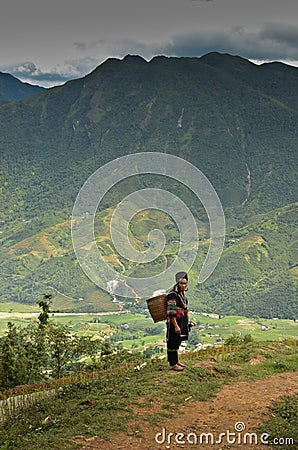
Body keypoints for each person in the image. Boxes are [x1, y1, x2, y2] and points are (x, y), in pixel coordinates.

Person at [166, 271, 190, 371]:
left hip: (181, 321)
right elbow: (171, 312)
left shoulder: (181, 295)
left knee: (177, 341)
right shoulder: (172, 295)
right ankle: (173, 364)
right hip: (174, 322)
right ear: (177, 283)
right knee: (172, 341)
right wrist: (176, 326)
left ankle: (176, 361)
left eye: (185, 283)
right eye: (181, 283)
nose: (183, 285)